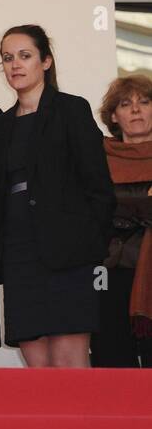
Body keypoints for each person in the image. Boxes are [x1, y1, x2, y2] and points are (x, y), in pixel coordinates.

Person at [0, 25, 114, 367]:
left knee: (70, 367)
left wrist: (88, 245)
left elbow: (100, 189)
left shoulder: (72, 110)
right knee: (39, 374)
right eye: (7, 57)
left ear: (45, 61)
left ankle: (84, 424)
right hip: (19, 256)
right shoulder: (0, 125)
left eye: (25, 56)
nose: (15, 64)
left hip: (69, 257)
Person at [93, 74, 152, 367]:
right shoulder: (97, 158)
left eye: (145, 101)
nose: (136, 109)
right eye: (126, 104)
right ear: (114, 115)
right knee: (112, 357)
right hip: (109, 271)